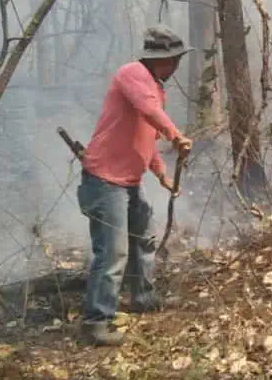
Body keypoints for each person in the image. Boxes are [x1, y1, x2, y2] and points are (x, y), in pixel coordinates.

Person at [77, 25, 193, 346]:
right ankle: (96, 321)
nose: (177, 65)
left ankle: (142, 298)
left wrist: (161, 174)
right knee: (113, 252)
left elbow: (147, 138)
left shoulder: (155, 89)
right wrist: (175, 134)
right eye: (174, 59)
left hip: (128, 181)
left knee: (143, 239)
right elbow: (148, 112)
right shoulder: (131, 74)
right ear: (161, 58)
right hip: (104, 181)